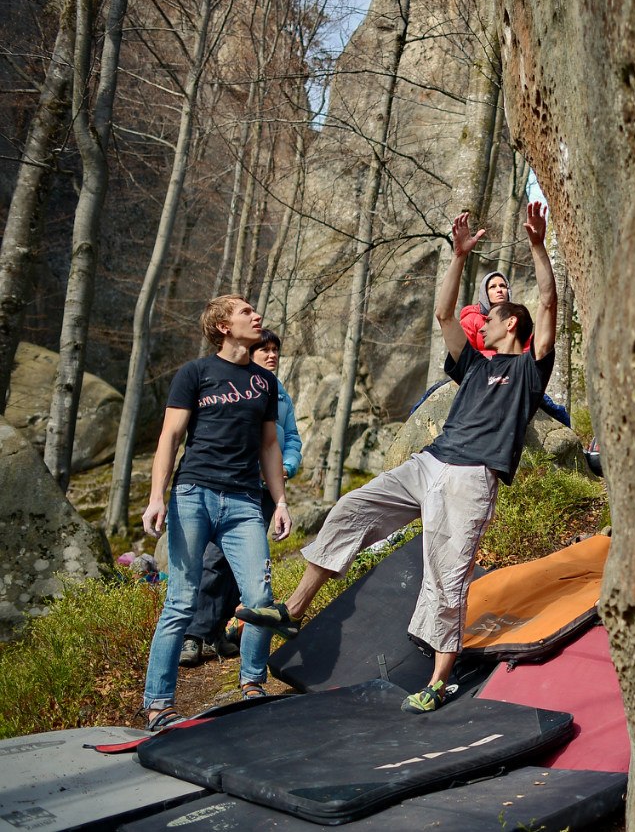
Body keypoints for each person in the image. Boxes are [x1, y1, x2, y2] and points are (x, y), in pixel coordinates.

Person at [237, 203, 557, 714]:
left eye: (492, 319)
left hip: (472, 477)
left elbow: (546, 303)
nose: (484, 323)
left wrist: (538, 247)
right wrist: (456, 257)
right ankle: (293, 609)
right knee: (352, 509)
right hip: (430, 463)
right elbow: (444, 315)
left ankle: (438, 680)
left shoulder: (528, 370)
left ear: (511, 325)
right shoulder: (473, 364)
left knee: (446, 577)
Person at [139, 295, 292, 731]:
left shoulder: (265, 384)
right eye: (246, 312)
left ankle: (252, 685)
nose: (256, 315)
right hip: (194, 494)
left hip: (244, 502)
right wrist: (156, 496)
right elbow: (170, 437)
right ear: (224, 326)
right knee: (181, 602)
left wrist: (280, 501)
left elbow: (269, 445)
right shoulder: (195, 373)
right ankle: (158, 703)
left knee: (260, 601)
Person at [178, 329, 302, 666]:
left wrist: (286, 467)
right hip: (232, 487)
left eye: (276, 350)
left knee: (242, 569)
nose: (272, 355)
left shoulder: (279, 394)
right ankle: (193, 635)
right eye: (265, 349)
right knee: (214, 561)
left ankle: (215, 632)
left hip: (265, 491)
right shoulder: (235, 386)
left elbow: (290, 438)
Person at [460, 270, 570, 427]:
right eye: (492, 287)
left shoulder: (518, 318)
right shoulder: (471, 319)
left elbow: (528, 351)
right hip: (483, 376)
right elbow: (465, 354)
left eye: (503, 286)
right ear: (484, 293)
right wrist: (492, 357)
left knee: (554, 408)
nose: (499, 290)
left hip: (515, 375)